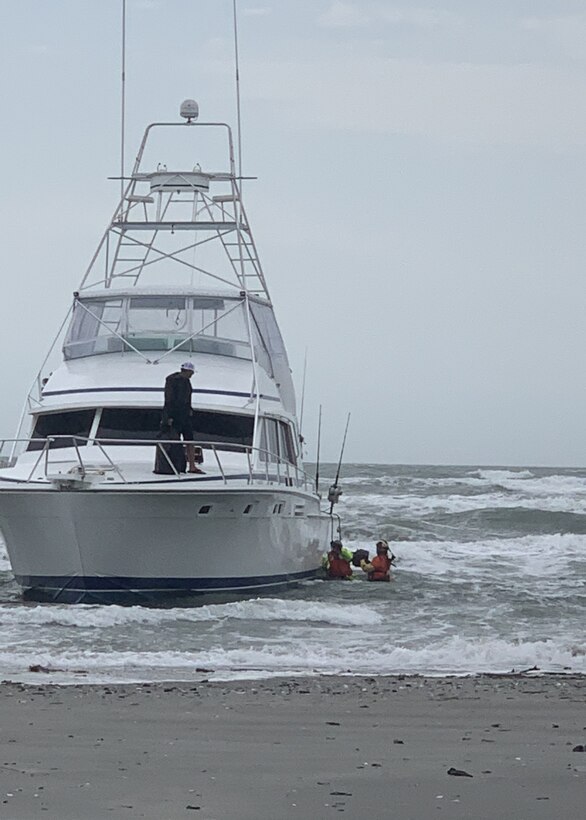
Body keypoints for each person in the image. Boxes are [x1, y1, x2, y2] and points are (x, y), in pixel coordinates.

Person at [163, 361, 204, 474]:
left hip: (185, 416)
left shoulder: (186, 381)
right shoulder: (173, 381)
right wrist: (169, 417)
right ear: (186, 371)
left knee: (189, 440)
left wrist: (189, 411)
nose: (192, 375)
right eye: (191, 372)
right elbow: (169, 399)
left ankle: (191, 466)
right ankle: (176, 464)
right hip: (176, 416)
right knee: (175, 441)